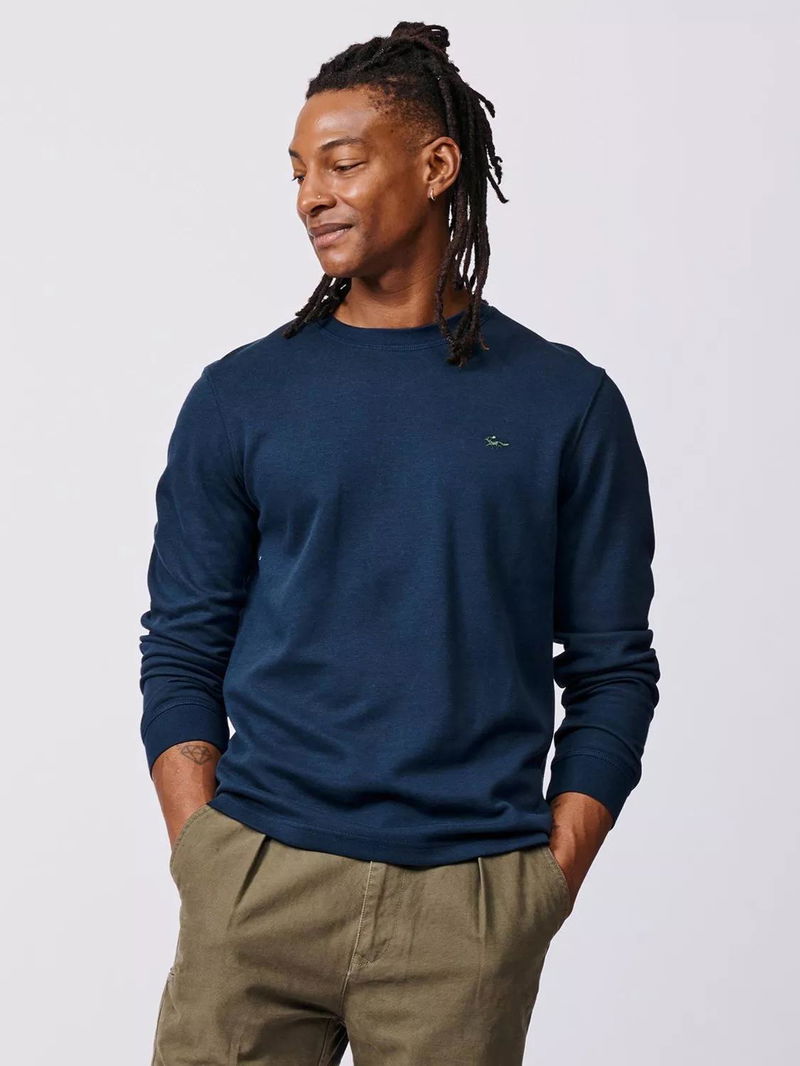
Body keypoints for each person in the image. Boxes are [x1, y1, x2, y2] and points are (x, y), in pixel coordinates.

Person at [139, 21, 660, 1066]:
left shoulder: (565, 403)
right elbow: (183, 643)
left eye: (341, 163)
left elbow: (613, 669)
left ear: (435, 166)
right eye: (297, 172)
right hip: (257, 882)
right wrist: (205, 854)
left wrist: (541, 885)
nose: (310, 196)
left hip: (465, 907)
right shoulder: (241, 396)